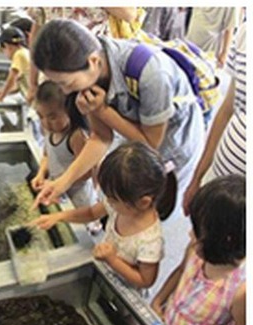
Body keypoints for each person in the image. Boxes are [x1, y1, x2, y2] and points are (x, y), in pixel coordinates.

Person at [31, 19, 205, 213]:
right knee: (127, 204)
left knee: (153, 207)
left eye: (67, 83)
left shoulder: (151, 73)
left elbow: (150, 143)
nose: (64, 91)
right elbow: (101, 137)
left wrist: (102, 111)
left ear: (93, 61)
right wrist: (62, 182)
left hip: (174, 141)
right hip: (135, 131)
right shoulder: (90, 72)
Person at [31, 141, 175, 289]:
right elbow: (91, 213)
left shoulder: (150, 241)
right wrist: (59, 217)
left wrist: (112, 260)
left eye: (113, 199)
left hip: (124, 290)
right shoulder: (122, 206)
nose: (108, 202)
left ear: (143, 202)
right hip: (104, 271)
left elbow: (145, 281)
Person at [151, 175, 245, 325]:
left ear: (224, 240)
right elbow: (181, 271)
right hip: (169, 321)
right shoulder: (196, 249)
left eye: (198, 232)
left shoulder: (241, 291)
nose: (190, 235)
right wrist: (158, 300)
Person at [182, 21, 246, 216]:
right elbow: (228, 109)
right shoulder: (246, 32)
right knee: (200, 241)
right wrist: (197, 178)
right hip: (218, 178)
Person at [25, 7, 142, 104]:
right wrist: (32, 82)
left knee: (96, 112)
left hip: (95, 69)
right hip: (57, 72)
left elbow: (129, 14)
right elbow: (37, 31)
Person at [30, 81, 100, 234]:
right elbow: (47, 155)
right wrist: (41, 174)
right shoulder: (49, 130)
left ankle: (94, 226)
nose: (46, 122)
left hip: (78, 195)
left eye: (53, 117)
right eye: (40, 116)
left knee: (83, 227)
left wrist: (59, 182)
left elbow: (87, 171)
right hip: (59, 190)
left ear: (69, 110)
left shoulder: (76, 136)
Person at [0, 26, 30, 103]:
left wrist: (0, 98)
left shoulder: (18, 55)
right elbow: (17, 87)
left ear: (6, 46)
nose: (5, 55)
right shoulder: (26, 52)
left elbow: (11, 78)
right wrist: (2, 92)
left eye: (3, 51)